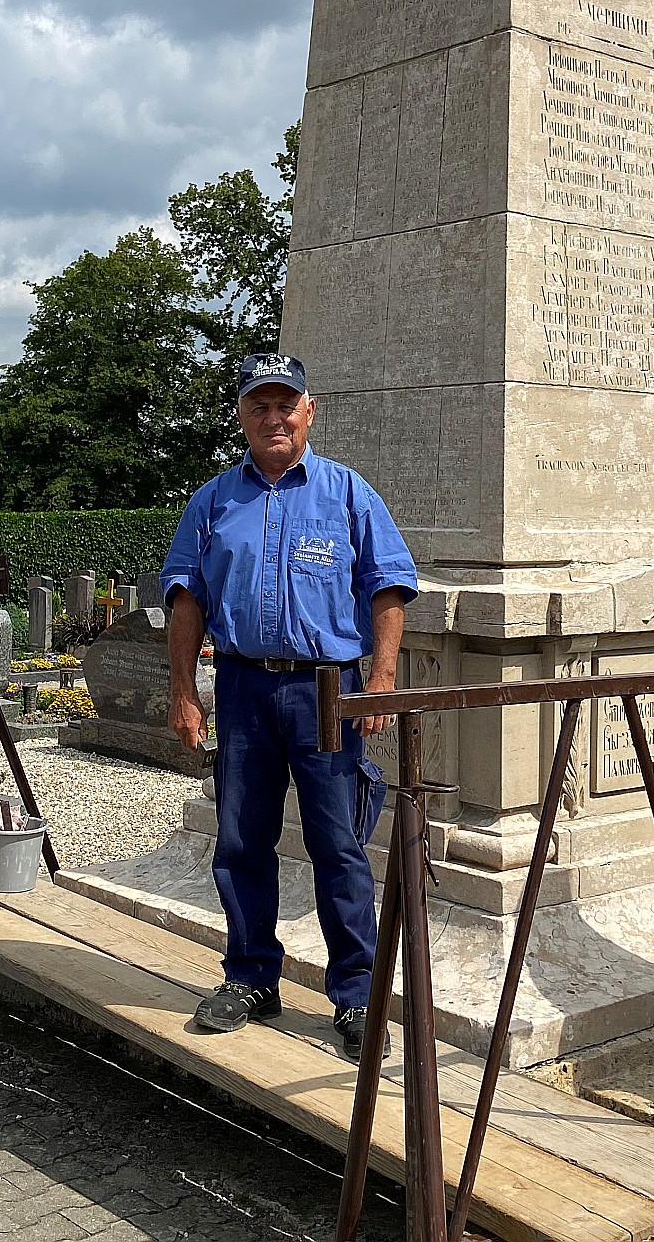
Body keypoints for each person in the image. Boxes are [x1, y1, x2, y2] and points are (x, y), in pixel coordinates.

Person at [163, 352, 417, 1060]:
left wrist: (384, 680)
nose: (272, 418)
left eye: (285, 405)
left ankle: (357, 995)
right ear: (242, 416)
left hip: (328, 692)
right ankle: (251, 979)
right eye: (258, 407)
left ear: (309, 412)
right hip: (243, 689)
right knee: (242, 841)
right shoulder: (215, 500)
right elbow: (187, 599)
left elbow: (388, 586)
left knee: (339, 846)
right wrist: (185, 693)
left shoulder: (346, 494)